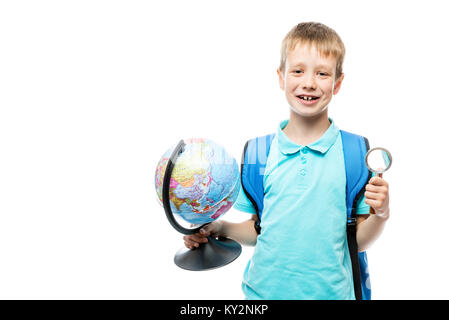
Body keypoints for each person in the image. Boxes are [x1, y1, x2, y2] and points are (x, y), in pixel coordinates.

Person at [183, 22, 390, 300]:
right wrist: (219, 228)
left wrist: (381, 214)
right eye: (298, 71)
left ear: (337, 83)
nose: (309, 83)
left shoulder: (353, 152)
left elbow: (358, 241)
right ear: (281, 77)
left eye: (322, 73)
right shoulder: (258, 153)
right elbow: (259, 230)